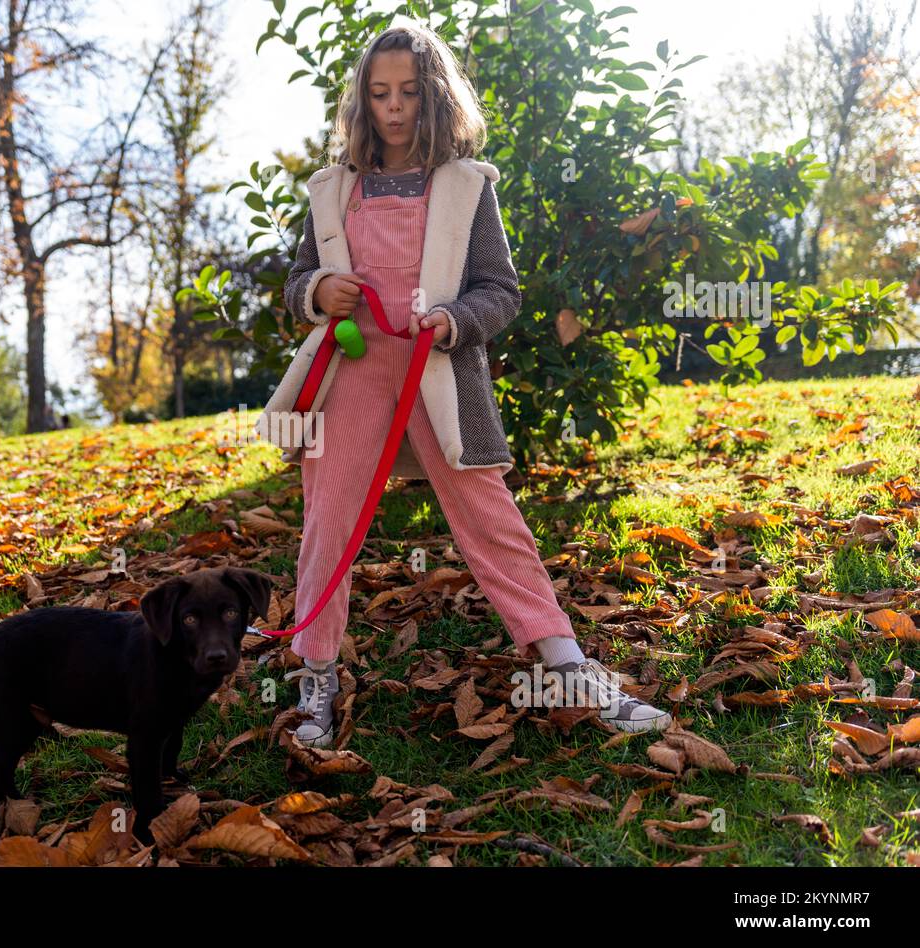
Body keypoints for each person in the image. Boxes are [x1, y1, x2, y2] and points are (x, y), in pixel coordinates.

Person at [269, 24, 672, 748]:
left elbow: (501, 291)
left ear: (436, 97)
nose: (394, 108)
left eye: (410, 93)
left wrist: (455, 320)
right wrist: (319, 289)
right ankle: (315, 681)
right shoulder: (334, 191)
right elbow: (299, 280)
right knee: (327, 519)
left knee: (488, 513)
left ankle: (564, 661)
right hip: (352, 372)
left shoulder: (464, 186)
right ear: (362, 101)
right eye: (379, 93)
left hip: (438, 373)